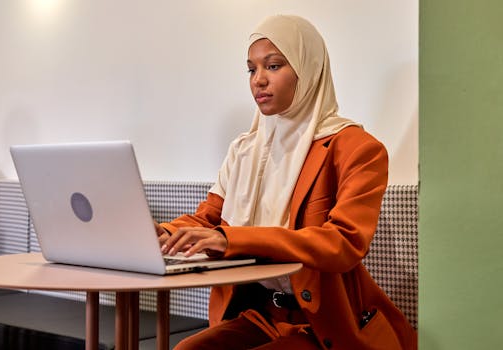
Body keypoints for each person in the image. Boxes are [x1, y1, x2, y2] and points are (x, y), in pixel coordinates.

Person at [155, 14, 417, 350]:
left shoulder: (355, 148)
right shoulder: (245, 149)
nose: (258, 80)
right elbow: (208, 218)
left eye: (274, 66)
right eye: (252, 69)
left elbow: (343, 243)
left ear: (307, 70)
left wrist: (230, 239)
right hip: (261, 315)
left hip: (325, 325)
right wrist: (164, 232)